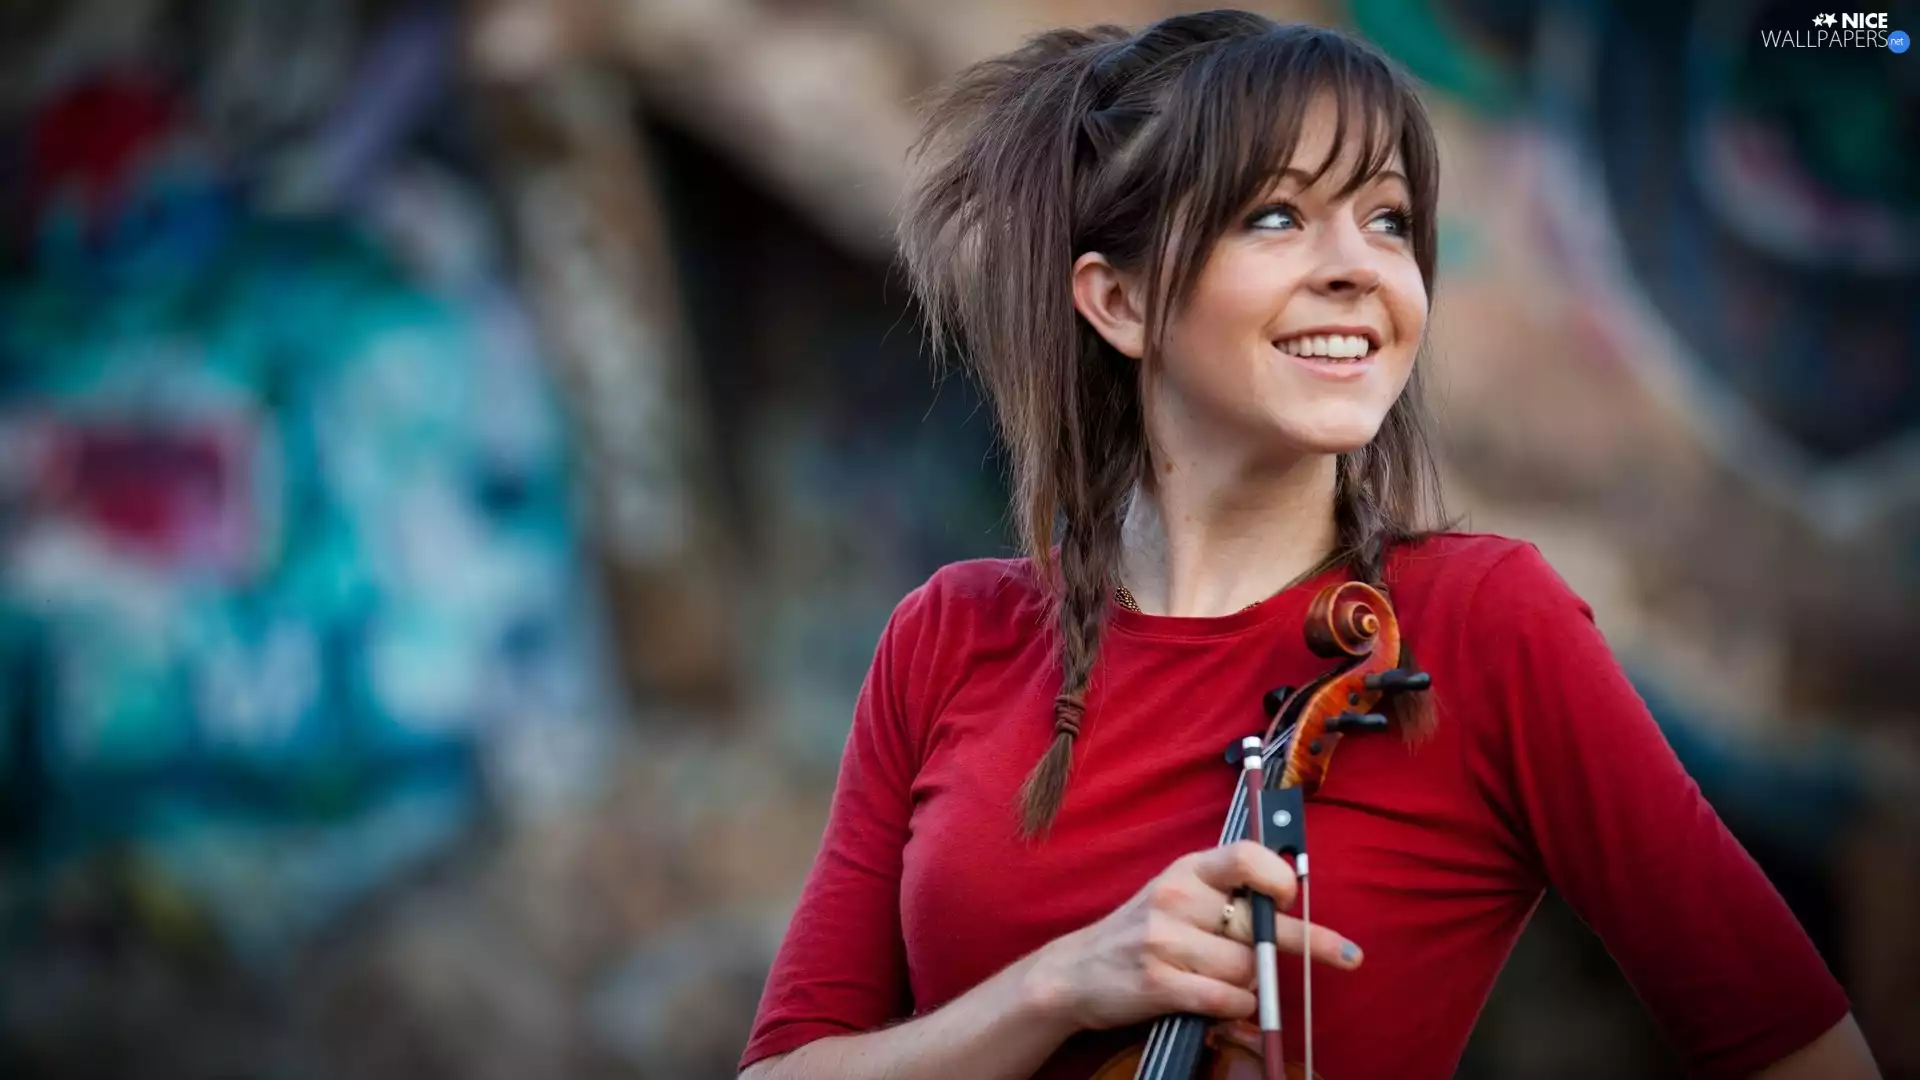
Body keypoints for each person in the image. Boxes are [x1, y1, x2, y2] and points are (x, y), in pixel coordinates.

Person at [736, 12, 1879, 1080]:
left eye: (1387, 220)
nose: (1361, 268)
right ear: (1118, 302)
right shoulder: (950, 637)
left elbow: (1803, 1052)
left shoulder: (1481, 626)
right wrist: (1055, 987)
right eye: (1275, 215)